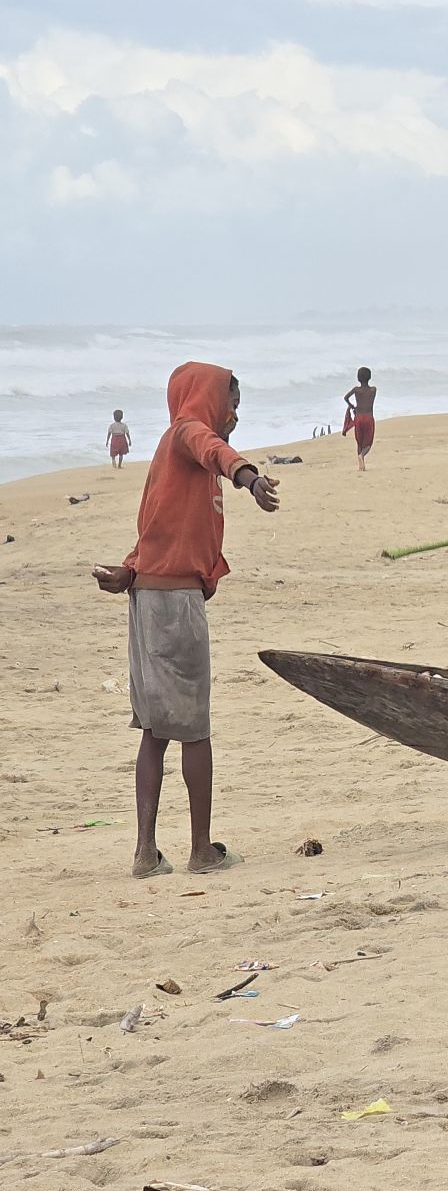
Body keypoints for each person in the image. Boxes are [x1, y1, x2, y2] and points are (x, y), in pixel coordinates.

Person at [90, 363, 283, 879]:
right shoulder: (188, 433)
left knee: (155, 730)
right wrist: (250, 479)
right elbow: (213, 448)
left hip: (147, 597)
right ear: (208, 399)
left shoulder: (169, 452)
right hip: (175, 604)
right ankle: (201, 850)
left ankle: (146, 853)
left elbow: (152, 526)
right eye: (231, 405)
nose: (234, 416)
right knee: (195, 730)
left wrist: (129, 571)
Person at [343, 367, 377, 472]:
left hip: (359, 418)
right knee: (368, 443)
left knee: (359, 442)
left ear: (358, 378)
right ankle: (361, 456)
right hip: (369, 418)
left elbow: (345, 397)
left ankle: (361, 466)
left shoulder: (356, 390)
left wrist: (351, 406)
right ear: (370, 377)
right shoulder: (373, 390)